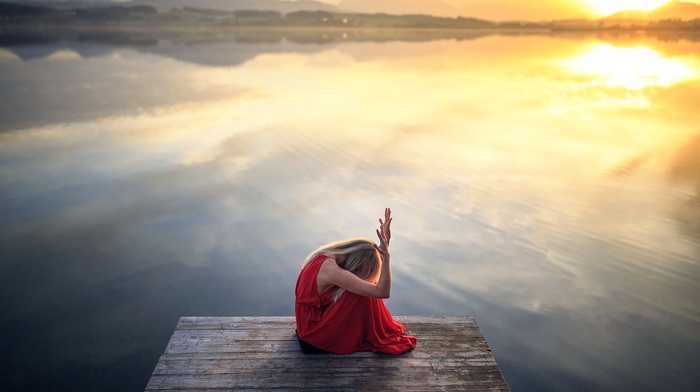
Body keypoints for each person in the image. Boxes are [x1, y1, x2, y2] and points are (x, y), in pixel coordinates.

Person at [294, 208, 417, 355]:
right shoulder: (333, 272)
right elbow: (382, 292)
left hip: (308, 323)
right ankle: (373, 333)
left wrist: (384, 248)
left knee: (366, 288)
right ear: (359, 265)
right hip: (314, 333)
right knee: (365, 293)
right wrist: (387, 257)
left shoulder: (327, 257)